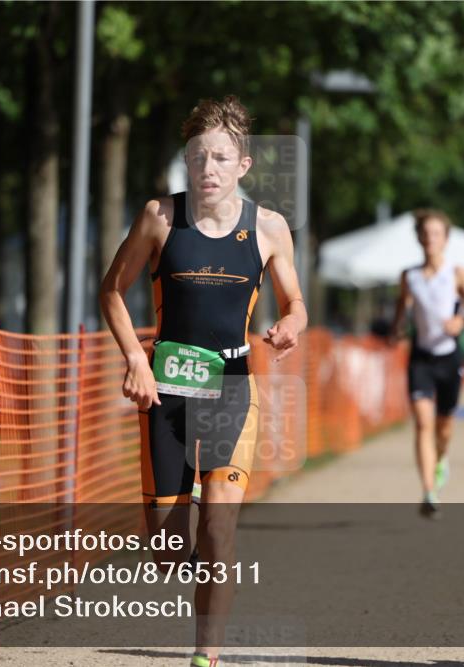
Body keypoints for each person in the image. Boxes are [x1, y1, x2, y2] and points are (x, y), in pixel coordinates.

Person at [100, 95, 307, 667]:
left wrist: (291, 325)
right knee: (169, 554)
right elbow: (111, 290)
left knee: (218, 527)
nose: (207, 169)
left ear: (243, 164)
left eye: (220, 158)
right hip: (166, 392)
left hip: (232, 389)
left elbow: (295, 302)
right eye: (197, 157)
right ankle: (201, 556)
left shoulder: (268, 227)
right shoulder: (159, 218)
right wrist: (136, 359)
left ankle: (205, 655)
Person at [391, 209, 464, 518]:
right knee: (423, 423)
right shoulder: (409, 276)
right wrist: (397, 328)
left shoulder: (457, 273)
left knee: (443, 427)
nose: (430, 238)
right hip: (420, 358)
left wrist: (462, 320)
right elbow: (402, 307)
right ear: (419, 238)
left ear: (445, 239)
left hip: (449, 357)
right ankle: (428, 491)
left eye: (436, 233)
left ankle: (442, 457)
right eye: (425, 233)